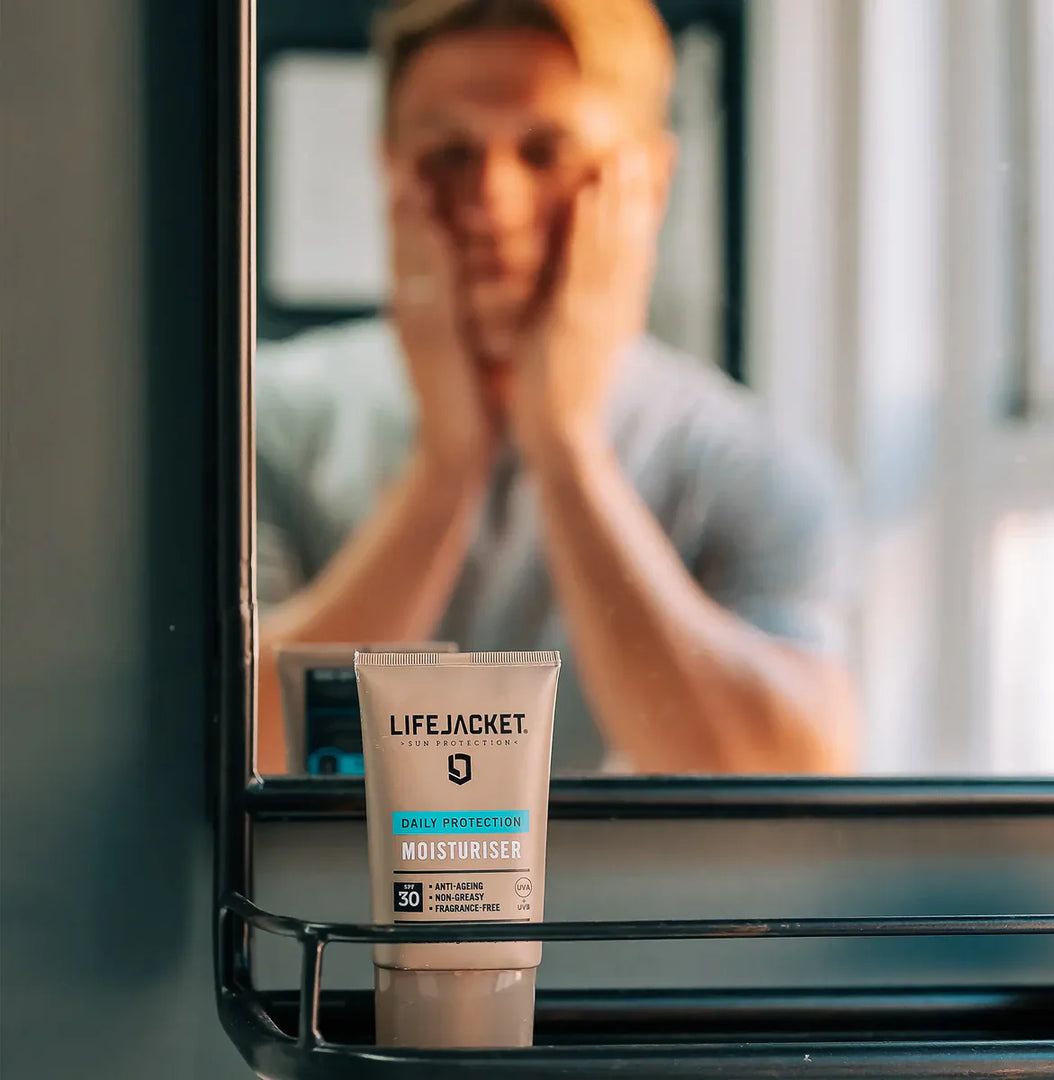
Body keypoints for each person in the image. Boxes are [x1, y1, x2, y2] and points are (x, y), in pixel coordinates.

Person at [255, 0, 857, 777]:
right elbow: (224, 758)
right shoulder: (266, 418)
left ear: (647, 179)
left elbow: (793, 773)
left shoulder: (747, 460)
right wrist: (446, 467)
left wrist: (569, 451)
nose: (491, 203)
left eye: (546, 151)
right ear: (388, 166)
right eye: (448, 154)